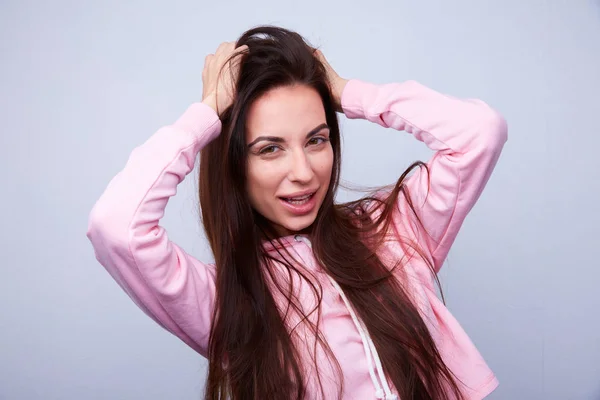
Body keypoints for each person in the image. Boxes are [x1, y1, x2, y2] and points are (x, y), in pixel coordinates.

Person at [86, 26, 507, 400]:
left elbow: (479, 132)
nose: (304, 173)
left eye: (316, 140)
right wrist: (207, 114)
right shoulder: (223, 301)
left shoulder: (393, 230)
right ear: (234, 164)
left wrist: (344, 92)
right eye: (270, 149)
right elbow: (116, 226)